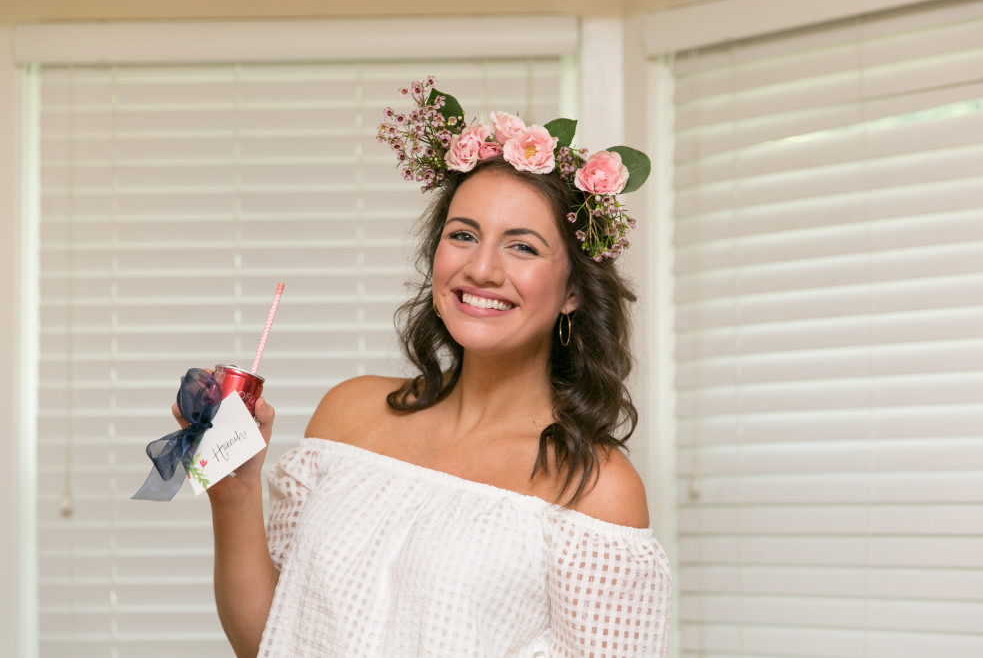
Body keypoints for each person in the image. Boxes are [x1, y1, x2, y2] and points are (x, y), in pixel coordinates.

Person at [178, 78, 672, 657]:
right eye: (463, 235)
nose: (482, 268)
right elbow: (273, 641)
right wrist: (234, 492)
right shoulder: (349, 415)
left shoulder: (596, 489)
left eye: (523, 246)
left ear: (573, 292)